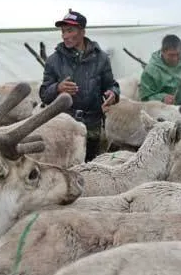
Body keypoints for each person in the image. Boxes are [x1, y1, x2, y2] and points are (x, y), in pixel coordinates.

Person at [39, 10, 121, 162]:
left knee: (90, 168)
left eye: (70, 30)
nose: (65, 35)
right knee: (63, 167)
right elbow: (44, 94)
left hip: (92, 126)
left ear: (83, 31)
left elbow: (110, 85)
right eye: (63, 31)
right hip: (63, 126)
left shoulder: (101, 58)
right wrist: (58, 88)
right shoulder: (53, 60)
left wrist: (112, 93)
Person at [139, 34, 181, 105]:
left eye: (178, 54)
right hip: (161, 111)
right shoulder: (150, 70)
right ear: (162, 52)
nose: (175, 59)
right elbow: (145, 99)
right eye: (171, 55)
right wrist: (162, 98)